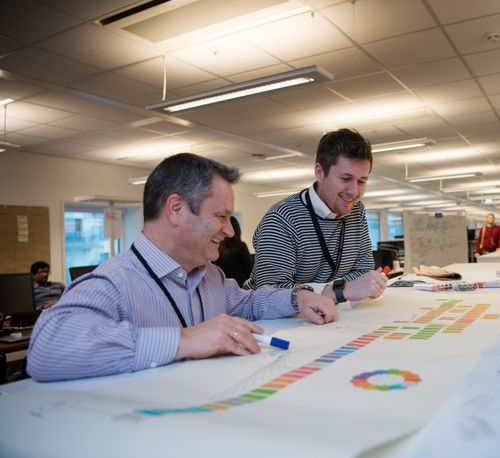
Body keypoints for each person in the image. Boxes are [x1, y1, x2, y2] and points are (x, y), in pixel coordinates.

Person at [27, 153, 337, 382]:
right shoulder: (115, 282)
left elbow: (248, 302)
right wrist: (186, 340)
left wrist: (297, 297)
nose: (230, 231)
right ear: (176, 209)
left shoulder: (210, 275)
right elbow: (47, 348)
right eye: (221, 216)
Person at [244, 128, 388, 304]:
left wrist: (337, 291)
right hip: (273, 322)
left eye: (361, 181)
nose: (354, 192)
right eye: (345, 179)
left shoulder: (356, 212)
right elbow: (269, 294)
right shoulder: (282, 219)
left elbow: (363, 273)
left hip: (325, 315)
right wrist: (340, 291)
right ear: (320, 172)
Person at [213, 216, 254, 287]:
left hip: (222, 289)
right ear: (237, 230)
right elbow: (250, 270)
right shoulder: (240, 246)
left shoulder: (217, 248)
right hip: (240, 290)